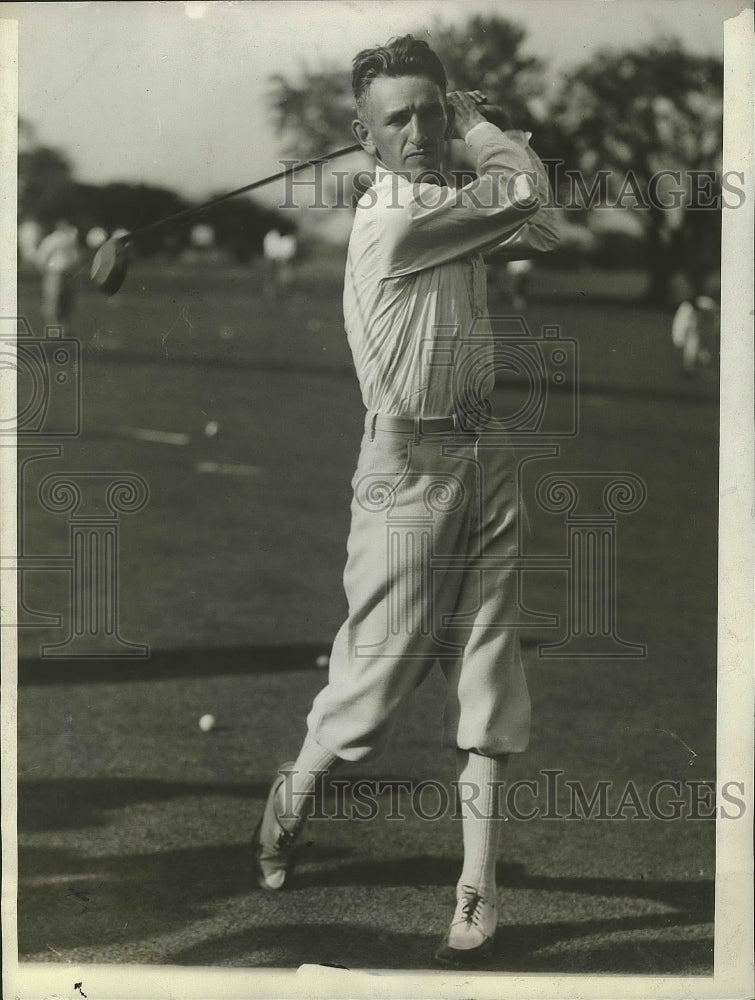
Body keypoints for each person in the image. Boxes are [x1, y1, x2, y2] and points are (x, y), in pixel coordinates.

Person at [252, 35, 560, 967]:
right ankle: (294, 795)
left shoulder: (446, 205)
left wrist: (483, 142)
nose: (421, 131)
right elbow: (530, 199)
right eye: (401, 119)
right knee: (366, 697)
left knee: (489, 676)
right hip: (404, 470)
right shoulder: (395, 215)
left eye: (432, 112)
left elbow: (541, 227)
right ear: (365, 137)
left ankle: (475, 891)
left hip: (483, 451)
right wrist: (482, 128)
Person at [35, 219, 81, 328]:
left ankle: (65, 326)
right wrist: (46, 272)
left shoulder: (71, 238)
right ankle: (52, 326)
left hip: (68, 274)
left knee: (68, 301)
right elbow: (40, 257)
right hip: (55, 273)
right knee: (53, 301)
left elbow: (76, 256)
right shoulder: (51, 239)